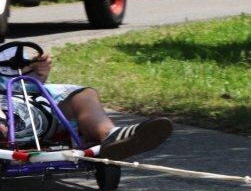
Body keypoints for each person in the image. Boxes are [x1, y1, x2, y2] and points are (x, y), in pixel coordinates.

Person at [0, 45, 173, 160]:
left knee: (83, 94)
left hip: (33, 108)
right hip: (5, 114)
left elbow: (26, 82)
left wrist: (39, 70)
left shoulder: (12, 50)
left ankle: (110, 137)